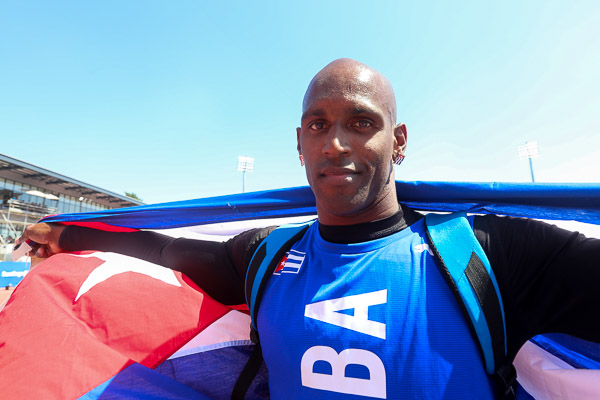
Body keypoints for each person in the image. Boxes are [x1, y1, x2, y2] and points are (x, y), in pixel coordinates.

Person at [17, 58, 600, 399]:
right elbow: (165, 251)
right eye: (318, 125)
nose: (336, 143)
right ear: (300, 144)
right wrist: (66, 236)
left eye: (361, 122)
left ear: (398, 142)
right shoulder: (266, 257)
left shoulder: (484, 253)